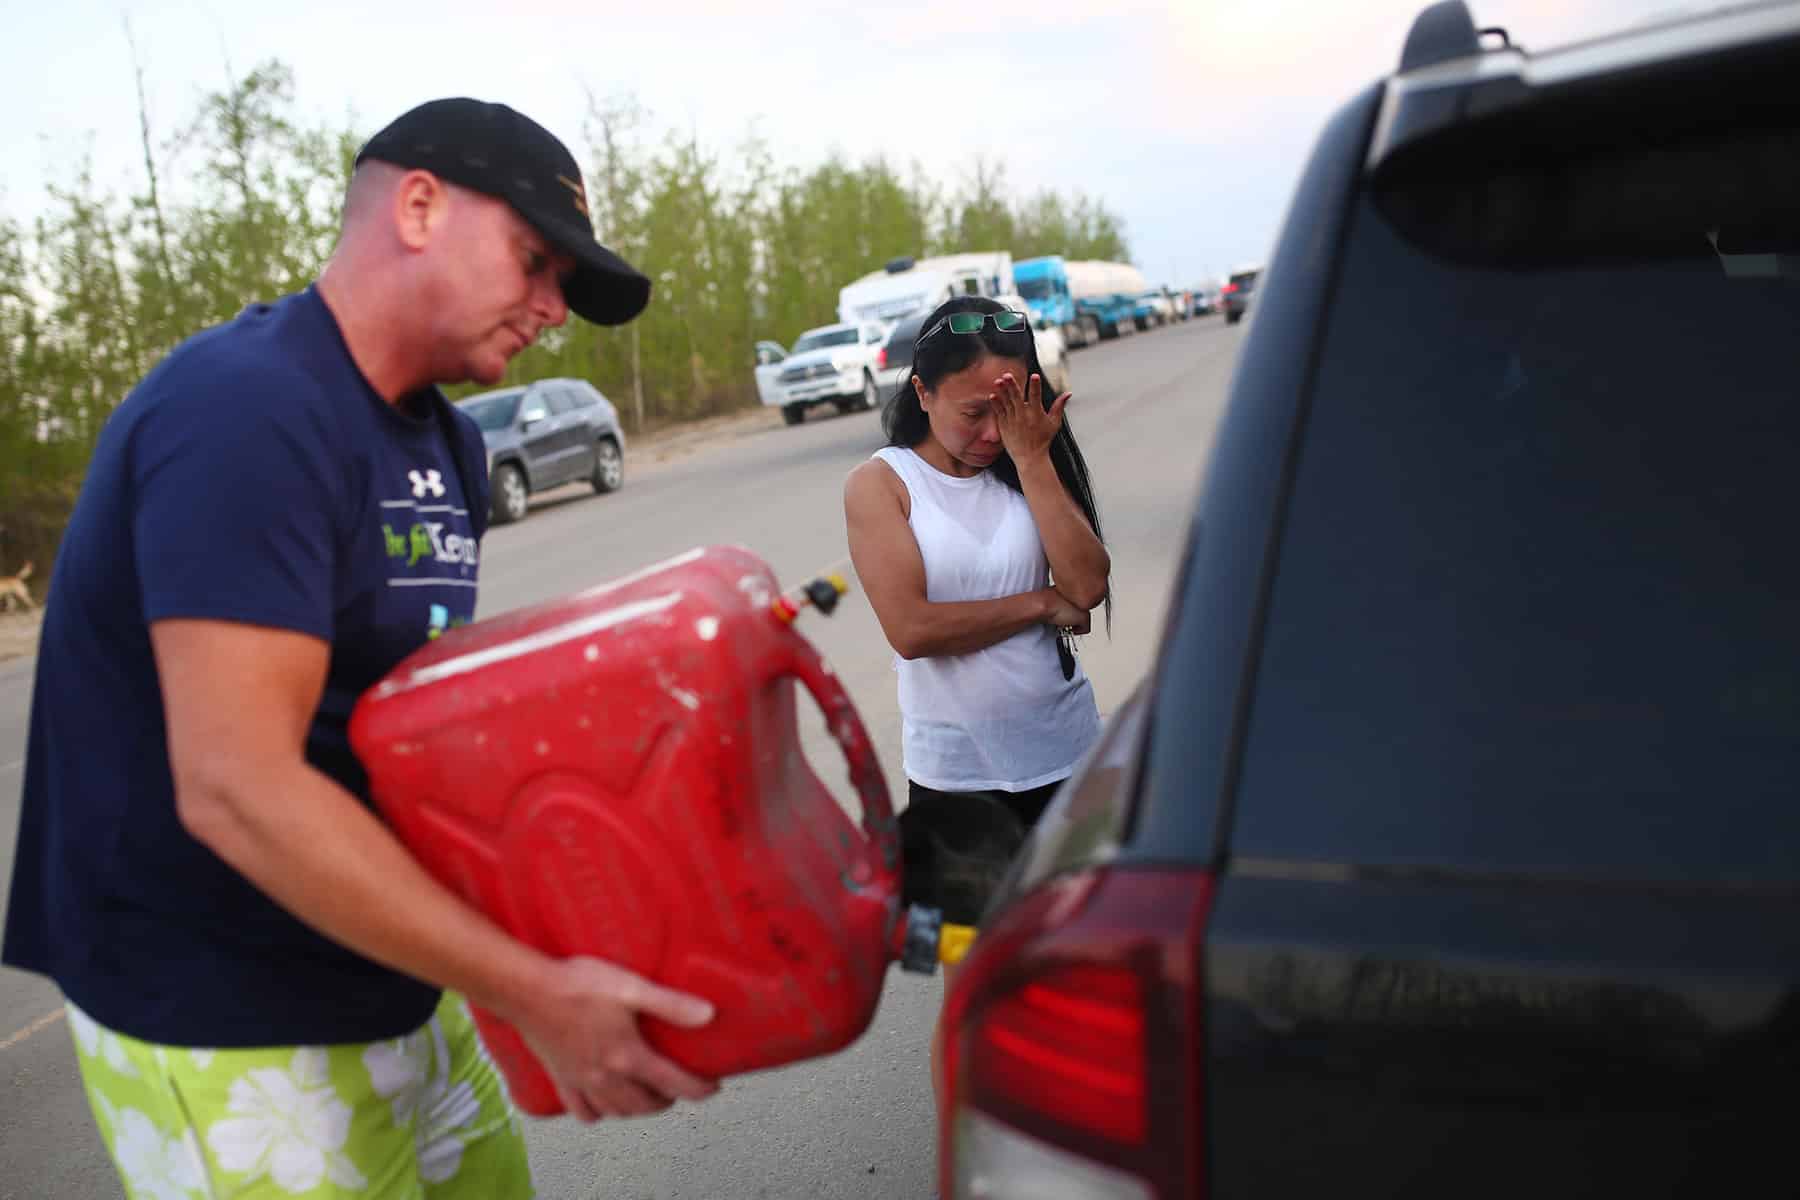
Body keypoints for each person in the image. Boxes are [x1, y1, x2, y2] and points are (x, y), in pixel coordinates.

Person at [2, 97, 718, 1198]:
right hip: (221, 1010)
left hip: (395, 976)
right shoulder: (247, 409)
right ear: (419, 206)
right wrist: (532, 988)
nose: (551, 309)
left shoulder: (449, 442)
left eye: (565, 286)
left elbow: (403, 721)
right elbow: (237, 788)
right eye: (536, 261)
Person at [841, 294, 1110, 1109]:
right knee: (973, 991)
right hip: (958, 787)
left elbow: (1089, 585)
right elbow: (913, 628)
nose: (992, 431)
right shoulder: (882, 485)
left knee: (1081, 971)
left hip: (1069, 762)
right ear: (920, 393)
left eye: (1011, 408)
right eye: (972, 413)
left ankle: (1072, 1136)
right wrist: (1035, 604)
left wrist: (1032, 460)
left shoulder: (1026, 461)